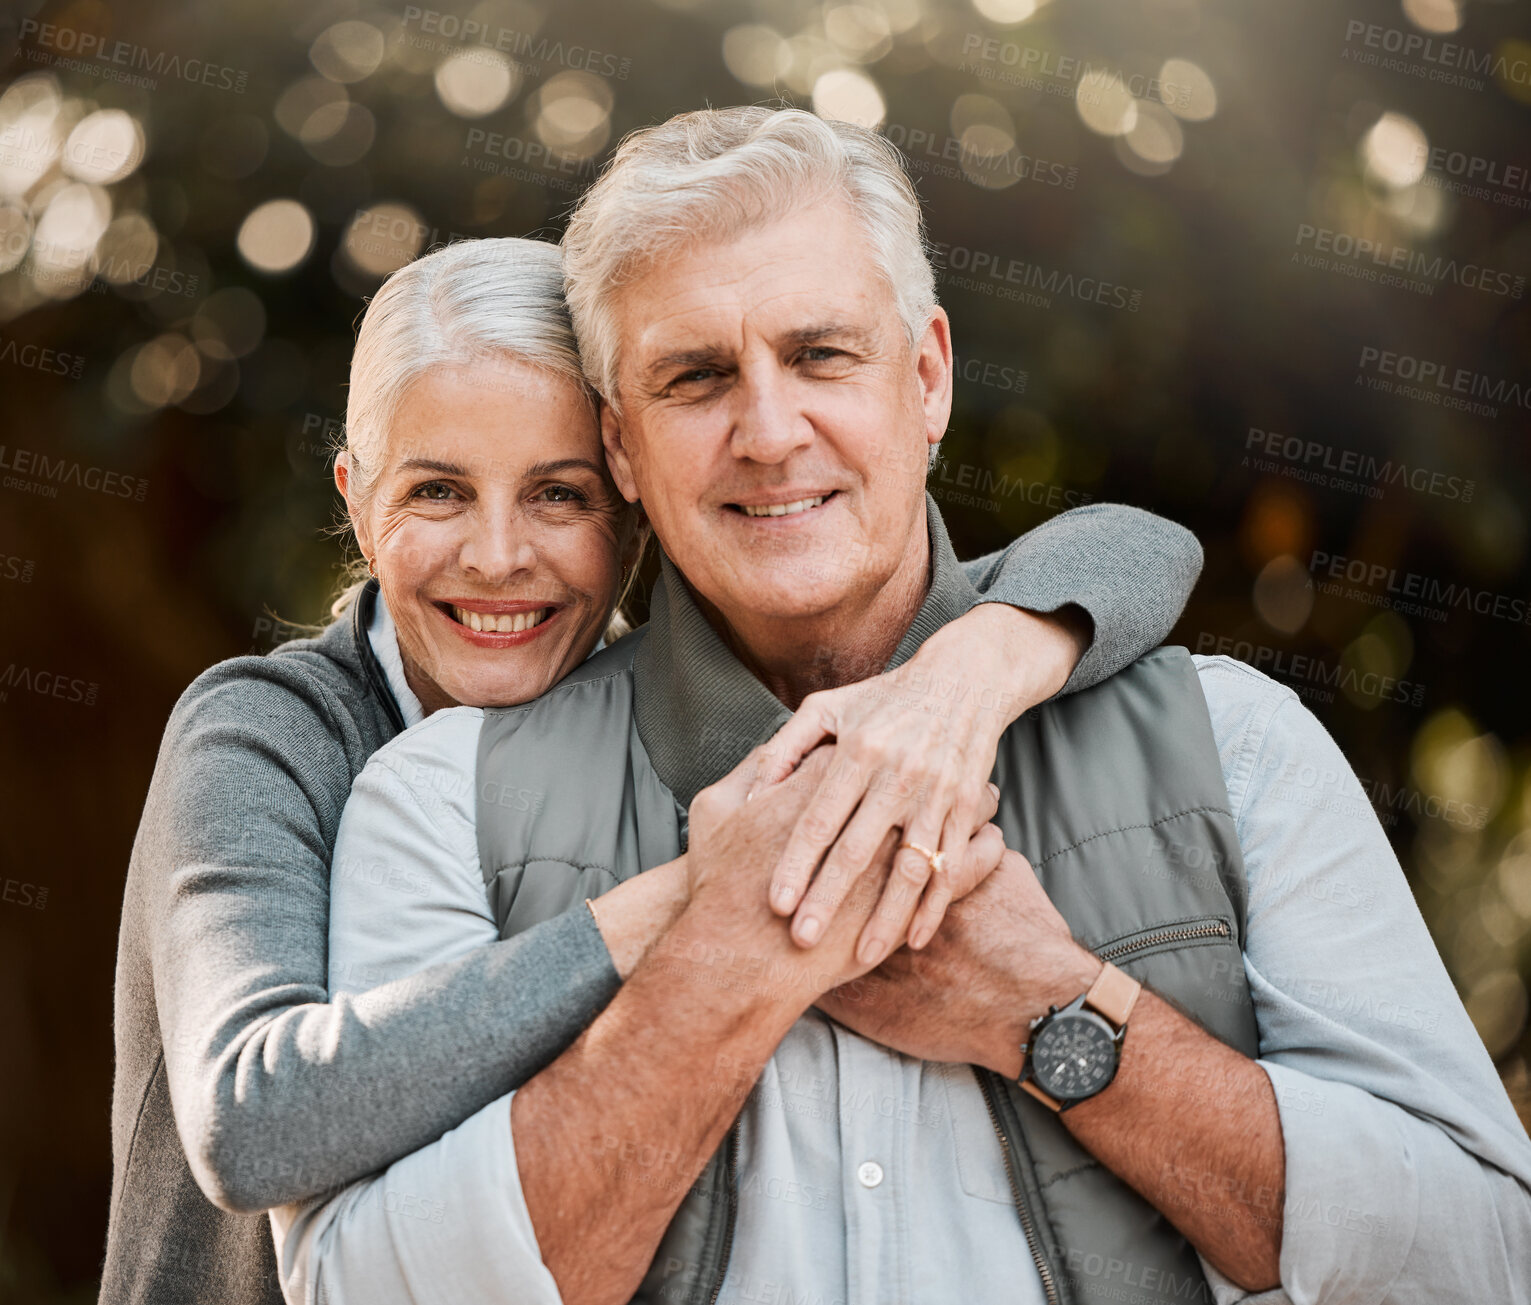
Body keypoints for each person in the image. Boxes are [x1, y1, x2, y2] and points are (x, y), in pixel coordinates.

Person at [274, 107, 1531, 1305]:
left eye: (821, 354)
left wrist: (1048, 1013)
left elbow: (1483, 1258)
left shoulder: (1236, 746)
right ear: (618, 448)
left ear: (925, 378)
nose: (768, 432)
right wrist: (726, 964)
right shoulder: (438, 802)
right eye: (696, 378)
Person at [103, 233, 1212, 1305]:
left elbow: (1141, 546)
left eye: (560, 495)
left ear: (633, 503)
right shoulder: (266, 729)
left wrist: (979, 665)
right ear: (354, 494)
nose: (498, 555)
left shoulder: (653, 708)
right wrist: (709, 890)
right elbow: (251, 1121)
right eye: (436, 491)